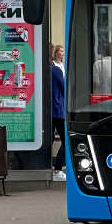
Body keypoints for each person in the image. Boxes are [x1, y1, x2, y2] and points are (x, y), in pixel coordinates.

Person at [50, 44, 66, 182]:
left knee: (49, 139)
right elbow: (64, 87)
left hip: (49, 110)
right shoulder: (56, 69)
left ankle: (48, 167)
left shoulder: (47, 69)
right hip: (59, 109)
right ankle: (57, 169)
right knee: (66, 140)